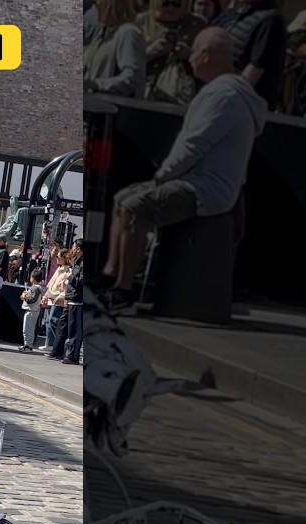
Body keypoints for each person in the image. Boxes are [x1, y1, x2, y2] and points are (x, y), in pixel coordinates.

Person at [98, 28, 268, 315]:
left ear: (206, 55)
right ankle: (111, 274)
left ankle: (123, 289)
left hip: (203, 189)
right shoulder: (228, 92)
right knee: (121, 198)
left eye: (194, 51)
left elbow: (192, 145)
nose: (190, 57)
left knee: (133, 206)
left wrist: (161, 177)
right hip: (202, 182)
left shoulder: (223, 95)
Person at [138, 0, 208, 104]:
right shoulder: (140, 22)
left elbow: (209, 63)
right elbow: (126, 61)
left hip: (183, 94)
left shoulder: (198, 25)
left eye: (176, 4)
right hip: (145, 92)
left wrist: (189, 55)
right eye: (165, 4)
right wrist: (149, 52)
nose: (171, 9)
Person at [227, 0, 287, 110]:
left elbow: (256, 68)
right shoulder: (245, 14)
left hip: (246, 105)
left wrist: (229, 97)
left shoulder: (270, 20)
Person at [86, 0, 148, 97]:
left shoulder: (128, 33)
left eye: (96, 3)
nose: (93, 7)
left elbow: (133, 77)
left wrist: (98, 85)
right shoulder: (102, 35)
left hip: (114, 107)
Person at [49, 243, 85, 365]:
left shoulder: (83, 262)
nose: (72, 249)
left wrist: (70, 277)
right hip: (70, 298)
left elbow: (81, 281)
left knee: (74, 329)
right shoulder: (77, 261)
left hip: (77, 300)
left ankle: (72, 356)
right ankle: (57, 351)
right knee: (62, 325)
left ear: (79, 248)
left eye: (74, 246)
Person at [40, 249, 73, 352]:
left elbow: (65, 286)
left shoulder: (67, 270)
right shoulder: (59, 269)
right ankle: (49, 344)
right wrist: (45, 295)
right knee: (49, 321)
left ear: (63, 258)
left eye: (58, 257)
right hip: (51, 297)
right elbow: (51, 284)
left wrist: (61, 296)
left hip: (58, 299)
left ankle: (57, 344)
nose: (56, 259)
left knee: (54, 321)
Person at [18, 268, 46, 352]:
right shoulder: (37, 288)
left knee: (27, 329)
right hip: (34, 310)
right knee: (28, 329)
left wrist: (25, 297)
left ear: (32, 278)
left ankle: (28, 346)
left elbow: (32, 300)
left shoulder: (35, 289)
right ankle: (27, 344)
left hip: (31, 310)